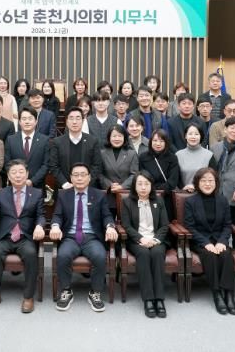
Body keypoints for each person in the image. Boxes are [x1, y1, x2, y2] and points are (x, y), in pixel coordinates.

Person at [50, 162, 118, 312]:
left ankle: (95, 292)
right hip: (71, 236)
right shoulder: (63, 195)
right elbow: (57, 215)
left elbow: (106, 215)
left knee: (100, 256)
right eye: (76, 175)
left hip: (91, 237)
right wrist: (55, 226)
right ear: (71, 178)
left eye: (83, 175)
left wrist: (110, 226)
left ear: (89, 177)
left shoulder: (99, 195)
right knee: (63, 255)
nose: (79, 178)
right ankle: (66, 290)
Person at [0, 159, 46, 313]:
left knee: (31, 254)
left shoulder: (36, 193)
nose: (18, 175)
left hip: (25, 237)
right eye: (14, 173)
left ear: (27, 174)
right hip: (6, 236)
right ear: (8, 177)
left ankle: (28, 297)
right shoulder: (2, 193)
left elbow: (41, 215)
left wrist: (39, 226)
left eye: (21, 172)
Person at [183, 167, 235, 315]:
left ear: (216, 183)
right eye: (204, 181)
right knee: (210, 255)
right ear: (197, 183)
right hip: (200, 240)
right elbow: (189, 227)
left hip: (219, 239)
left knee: (226, 255)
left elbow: (227, 225)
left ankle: (229, 294)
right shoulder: (190, 201)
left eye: (210, 181)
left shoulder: (222, 200)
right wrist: (206, 243)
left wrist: (222, 241)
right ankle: (217, 293)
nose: (207, 184)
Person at [122, 171, 170, 318]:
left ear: (151, 185)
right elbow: (126, 225)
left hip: (156, 239)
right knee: (143, 254)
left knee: (157, 253)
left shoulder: (159, 201)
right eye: (140, 184)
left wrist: (155, 240)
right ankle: (148, 299)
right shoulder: (127, 202)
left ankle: (159, 299)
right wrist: (141, 239)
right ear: (134, 186)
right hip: (137, 240)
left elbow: (164, 225)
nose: (143, 187)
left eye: (146, 184)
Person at [49, 107, 103, 190]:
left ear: (83, 121)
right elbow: (54, 166)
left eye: (78, 118)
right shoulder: (57, 142)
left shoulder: (93, 141)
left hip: (88, 187)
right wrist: (64, 183)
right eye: (71, 118)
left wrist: (86, 182)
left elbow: (97, 165)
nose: (74, 122)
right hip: (65, 188)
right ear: (67, 122)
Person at [139, 129, 180, 220]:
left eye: (161, 141)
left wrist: (160, 191)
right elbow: (141, 177)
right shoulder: (143, 157)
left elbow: (173, 180)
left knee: (166, 222)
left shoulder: (172, 158)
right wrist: (151, 191)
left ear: (166, 142)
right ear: (150, 141)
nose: (158, 144)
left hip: (166, 196)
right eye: (155, 140)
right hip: (148, 195)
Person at [4, 107, 49, 189]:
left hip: (37, 186)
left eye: (30, 119)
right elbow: (7, 163)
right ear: (19, 122)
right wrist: (18, 179)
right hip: (15, 185)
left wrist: (32, 181)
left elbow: (46, 165)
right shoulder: (11, 140)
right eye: (24, 119)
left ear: (36, 121)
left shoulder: (45, 140)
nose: (27, 122)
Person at [99, 125, 139, 217]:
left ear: (124, 137)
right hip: (109, 194)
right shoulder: (102, 153)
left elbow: (134, 174)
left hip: (126, 195)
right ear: (109, 138)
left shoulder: (131, 153)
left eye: (120, 136)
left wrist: (122, 186)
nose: (117, 139)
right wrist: (110, 185)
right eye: (114, 136)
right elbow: (99, 174)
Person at [176, 123, 216, 192]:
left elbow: (214, 177)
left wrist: (197, 187)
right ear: (185, 136)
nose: (193, 137)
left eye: (196, 134)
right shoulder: (178, 155)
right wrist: (185, 187)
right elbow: (176, 177)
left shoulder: (209, 155)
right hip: (184, 193)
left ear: (201, 136)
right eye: (190, 134)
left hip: (204, 193)